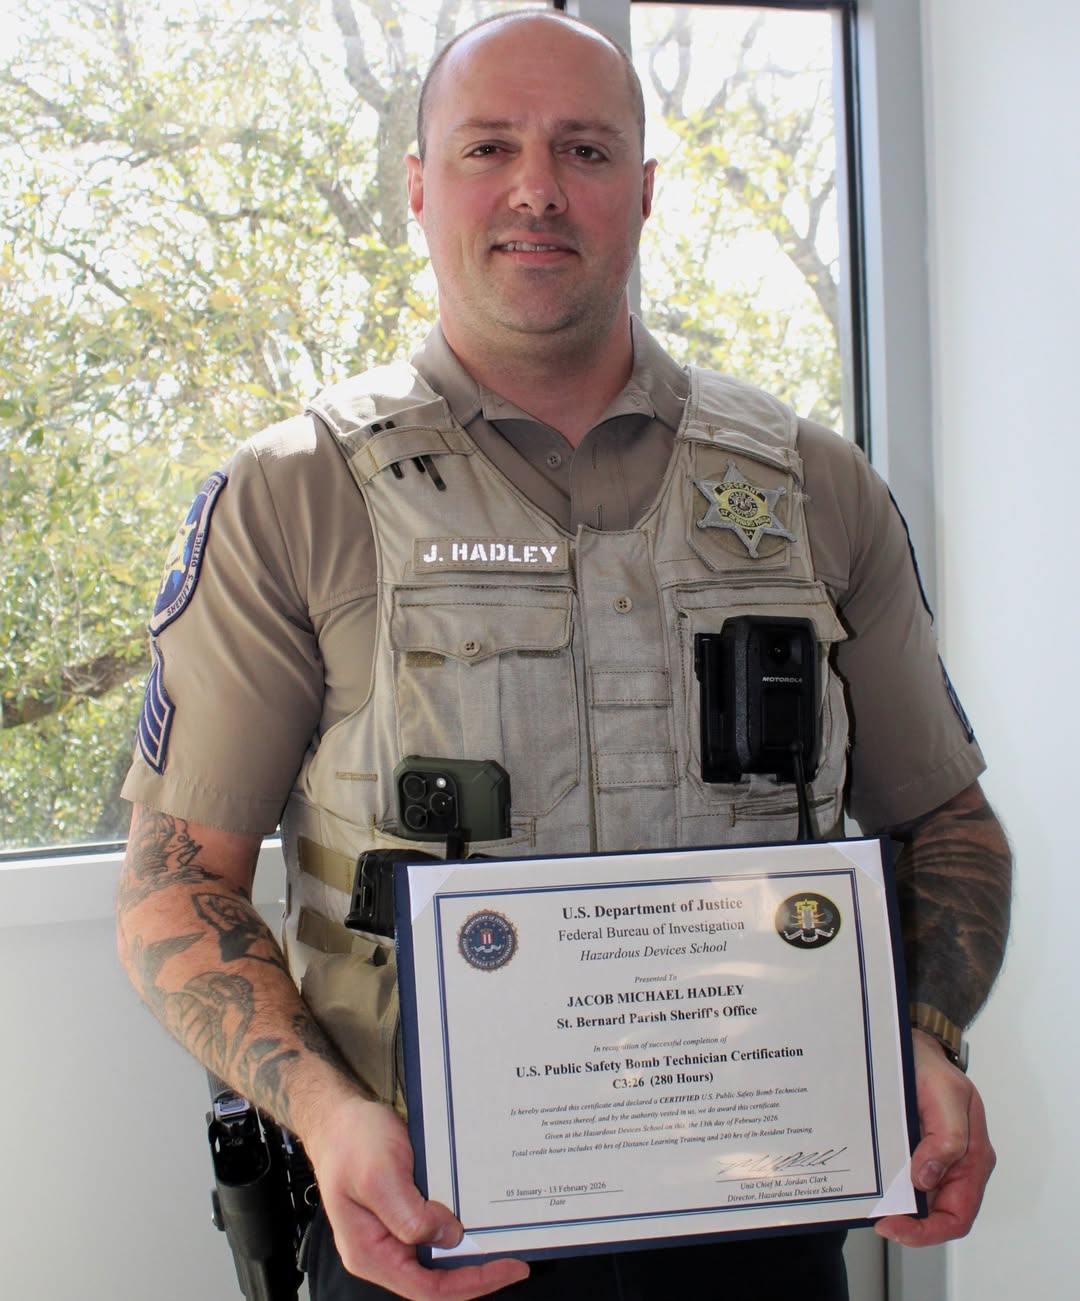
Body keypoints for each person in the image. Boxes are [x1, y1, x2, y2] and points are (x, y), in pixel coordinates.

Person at [116, 11, 1011, 1301]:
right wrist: (321, 1109)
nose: (537, 187)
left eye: (586, 150)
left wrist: (921, 1032)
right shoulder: (293, 494)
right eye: (488, 147)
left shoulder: (816, 487)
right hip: (422, 1220)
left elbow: (951, 828)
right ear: (419, 187)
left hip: (763, 1216)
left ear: (643, 194)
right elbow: (170, 882)